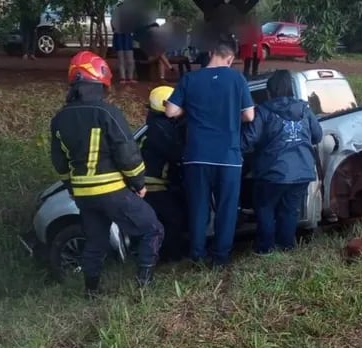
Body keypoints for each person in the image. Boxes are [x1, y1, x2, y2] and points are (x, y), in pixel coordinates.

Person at [50, 51, 164, 298]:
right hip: (112, 191)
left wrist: (72, 186)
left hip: (83, 194)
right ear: (99, 82)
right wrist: (138, 182)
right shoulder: (107, 112)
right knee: (152, 229)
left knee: (95, 242)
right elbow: (127, 152)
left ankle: (91, 292)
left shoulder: (59, 119)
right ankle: (144, 287)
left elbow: (59, 162)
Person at [165, 38, 255, 267]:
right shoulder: (237, 78)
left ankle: (197, 255)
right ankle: (221, 257)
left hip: (197, 156)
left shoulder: (190, 78)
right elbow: (249, 116)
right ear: (231, 58)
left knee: (198, 207)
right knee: (226, 208)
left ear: (211, 52)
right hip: (228, 157)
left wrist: (189, 108)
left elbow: (170, 111)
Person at [241, 70, 323, 255]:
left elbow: (249, 140)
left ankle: (265, 249)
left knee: (265, 208)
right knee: (290, 210)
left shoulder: (263, 111)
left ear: (269, 91)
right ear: (290, 90)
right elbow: (317, 136)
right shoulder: (304, 110)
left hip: (273, 171)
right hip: (302, 170)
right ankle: (286, 248)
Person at [140, 86, 188, 262]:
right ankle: (171, 259)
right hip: (154, 185)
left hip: (156, 183)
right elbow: (177, 154)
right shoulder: (161, 129)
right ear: (165, 105)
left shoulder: (156, 125)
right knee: (173, 220)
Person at [111, 1, 136, 84]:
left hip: (127, 37)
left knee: (130, 59)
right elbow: (114, 27)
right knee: (121, 58)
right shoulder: (115, 17)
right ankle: (123, 78)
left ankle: (130, 78)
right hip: (119, 37)